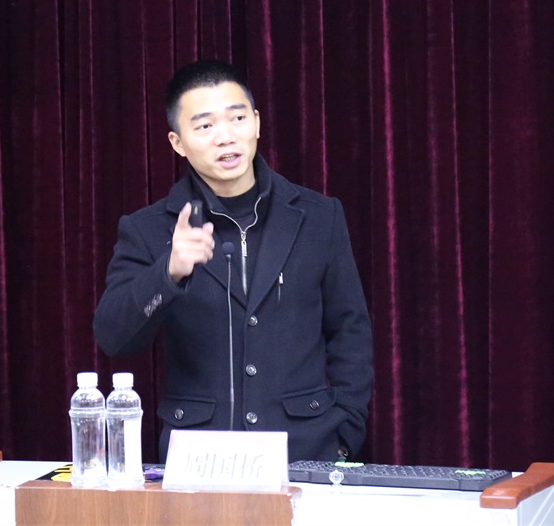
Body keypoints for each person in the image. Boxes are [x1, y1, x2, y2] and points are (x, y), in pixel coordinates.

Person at [93, 59, 373, 462]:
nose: (225, 136)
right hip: (199, 455)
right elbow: (113, 338)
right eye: (205, 126)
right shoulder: (148, 229)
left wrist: (344, 434)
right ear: (177, 142)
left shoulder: (318, 216)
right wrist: (168, 273)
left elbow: (350, 331)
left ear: (256, 123)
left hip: (305, 448)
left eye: (237, 118)